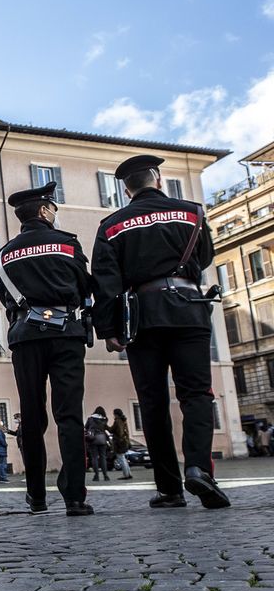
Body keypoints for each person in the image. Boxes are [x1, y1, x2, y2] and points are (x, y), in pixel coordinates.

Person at [91, 154, 229, 509]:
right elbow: (206, 256)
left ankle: (169, 488)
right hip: (189, 310)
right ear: (159, 181)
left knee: (152, 404)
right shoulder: (193, 212)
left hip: (142, 317)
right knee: (197, 394)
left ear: (126, 190)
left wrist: (109, 329)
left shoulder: (111, 225)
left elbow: (105, 282)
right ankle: (199, 468)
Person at [0, 181, 94, 516]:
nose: (55, 212)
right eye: (53, 207)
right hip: (66, 333)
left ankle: (36, 496)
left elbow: (5, 296)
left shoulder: (5, 254)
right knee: (69, 415)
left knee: (33, 417)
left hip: (25, 336)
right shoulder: (67, 244)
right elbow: (84, 285)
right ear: (43, 211)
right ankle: (74, 497)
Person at [85, 406, 111, 482]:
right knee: (103, 458)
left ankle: (96, 476)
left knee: (94, 458)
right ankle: (106, 476)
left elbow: (86, 428)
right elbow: (106, 428)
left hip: (93, 439)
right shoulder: (105, 419)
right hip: (103, 439)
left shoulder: (90, 419)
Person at [110, 408, 134, 479]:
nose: (113, 415)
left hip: (119, 443)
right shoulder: (124, 420)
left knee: (121, 458)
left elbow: (113, 430)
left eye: (113, 413)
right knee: (123, 458)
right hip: (124, 441)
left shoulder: (117, 421)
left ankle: (126, 474)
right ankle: (128, 473)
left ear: (116, 414)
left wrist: (105, 426)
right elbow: (126, 432)